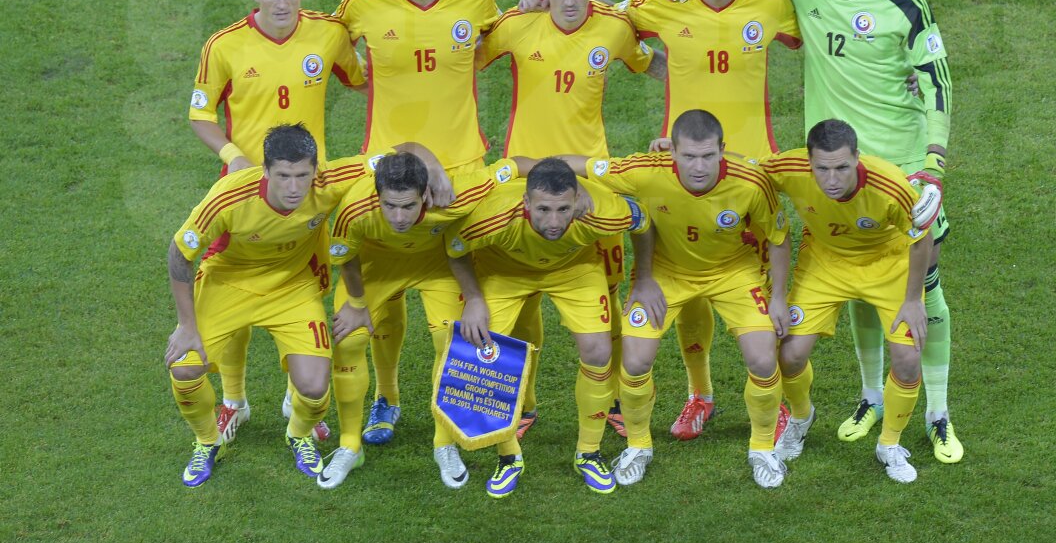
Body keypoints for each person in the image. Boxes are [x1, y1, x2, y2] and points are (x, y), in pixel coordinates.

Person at [521, 0, 800, 442]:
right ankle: (701, 394)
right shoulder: (662, 1)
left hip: (754, 171)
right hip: (684, 165)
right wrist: (532, 1)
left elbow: (821, 18)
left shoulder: (771, 1)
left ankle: (777, 402)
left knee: (762, 297)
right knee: (692, 288)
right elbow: (596, 17)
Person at [770, 0, 960, 462]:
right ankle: (871, 396)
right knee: (856, 276)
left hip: (901, 170)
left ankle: (938, 410)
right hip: (833, 170)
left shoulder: (903, 0)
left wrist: (934, 164)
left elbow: (937, 81)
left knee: (922, 288)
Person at [333, 0, 502, 448]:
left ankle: (475, 418)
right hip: (386, 172)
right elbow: (339, 58)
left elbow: (498, 42)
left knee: (478, 300)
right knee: (374, 302)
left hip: (464, 173)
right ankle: (386, 395)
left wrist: (538, 2)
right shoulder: (363, 1)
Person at [477, 0, 657, 438]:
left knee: (608, 293)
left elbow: (653, 65)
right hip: (522, 184)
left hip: (591, 184)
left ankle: (617, 400)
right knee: (523, 299)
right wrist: (506, 11)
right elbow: (463, 61)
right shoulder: (518, 25)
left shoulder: (614, 28)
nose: (570, 0)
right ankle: (524, 404)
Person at [188, 0, 365, 444]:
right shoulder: (224, 45)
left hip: (311, 189)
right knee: (233, 284)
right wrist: (233, 156)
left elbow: (362, 78)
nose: (282, 5)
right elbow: (200, 114)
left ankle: (298, 396)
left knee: (308, 281)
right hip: (245, 191)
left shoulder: (328, 35)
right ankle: (233, 401)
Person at [567, 109, 793, 489]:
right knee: (635, 361)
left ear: (724, 150)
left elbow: (780, 236)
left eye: (708, 156)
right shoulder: (645, 170)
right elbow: (579, 165)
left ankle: (761, 448)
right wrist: (526, 174)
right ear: (672, 151)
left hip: (733, 272)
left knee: (762, 357)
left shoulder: (751, 183)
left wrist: (779, 298)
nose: (699, 166)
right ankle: (639, 446)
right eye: (689, 156)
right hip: (665, 275)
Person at [164, 125, 372, 486]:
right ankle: (208, 441)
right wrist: (186, 325)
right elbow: (179, 253)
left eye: (303, 176)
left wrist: (433, 169)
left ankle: (298, 433)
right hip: (227, 283)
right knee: (184, 368)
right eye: (284, 176)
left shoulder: (332, 180)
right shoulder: (229, 196)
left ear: (316, 169)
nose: (294, 188)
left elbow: (396, 155)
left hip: (292, 287)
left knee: (314, 386)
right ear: (265, 171)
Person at [448, 158, 648, 497]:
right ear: (525, 203)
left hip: (575, 269)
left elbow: (642, 222)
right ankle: (508, 457)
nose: (553, 222)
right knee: (486, 353)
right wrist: (474, 298)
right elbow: (454, 247)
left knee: (599, 351)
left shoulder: (602, 211)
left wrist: (643, 279)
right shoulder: (492, 215)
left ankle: (589, 453)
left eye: (562, 209)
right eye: (543, 209)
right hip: (505, 272)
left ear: (577, 201)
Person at [317, 152, 514, 490]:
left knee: (454, 342)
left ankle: (445, 444)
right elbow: (346, 256)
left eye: (408, 206)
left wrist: (580, 187)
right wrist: (357, 303)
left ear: (426, 194)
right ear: (376, 194)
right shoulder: (355, 208)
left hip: (436, 266)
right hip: (377, 267)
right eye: (389, 206)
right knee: (348, 340)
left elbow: (513, 167)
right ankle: (349, 445)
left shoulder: (456, 195)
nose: (398, 217)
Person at [760, 119, 932, 483]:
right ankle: (801, 416)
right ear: (809, 162)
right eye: (822, 168)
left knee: (908, 357)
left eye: (841, 167)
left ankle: (889, 444)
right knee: (788, 354)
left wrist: (914, 299)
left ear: (857, 157)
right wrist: (669, 160)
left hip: (886, 264)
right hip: (825, 263)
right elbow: (738, 171)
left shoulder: (891, 186)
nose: (832, 179)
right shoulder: (788, 168)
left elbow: (921, 238)